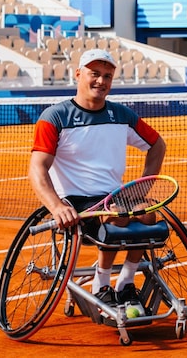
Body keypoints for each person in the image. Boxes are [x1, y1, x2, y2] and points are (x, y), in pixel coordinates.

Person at [28, 48, 167, 313]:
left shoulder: (121, 115)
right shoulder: (54, 117)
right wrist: (57, 207)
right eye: (94, 74)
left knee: (147, 213)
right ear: (78, 74)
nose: (101, 81)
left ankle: (125, 282)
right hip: (77, 202)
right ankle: (101, 284)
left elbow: (157, 145)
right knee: (119, 217)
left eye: (107, 76)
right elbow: (37, 168)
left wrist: (142, 187)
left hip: (114, 196)